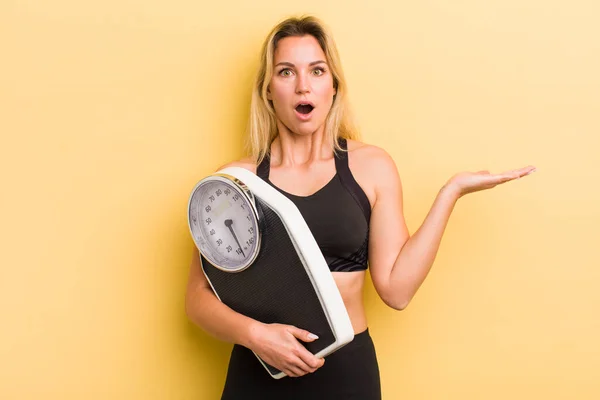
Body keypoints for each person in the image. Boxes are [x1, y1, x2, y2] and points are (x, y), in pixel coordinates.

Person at [185, 15, 536, 399]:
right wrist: (256, 335)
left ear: (333, 86)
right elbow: (197, 298)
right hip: (259, 372)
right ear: (268, 89)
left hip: (346, 374)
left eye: (317, 71)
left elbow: (396, 292)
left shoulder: (371, 167)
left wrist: (450, 193)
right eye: (286, 72)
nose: (304, 85)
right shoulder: (235, 181)